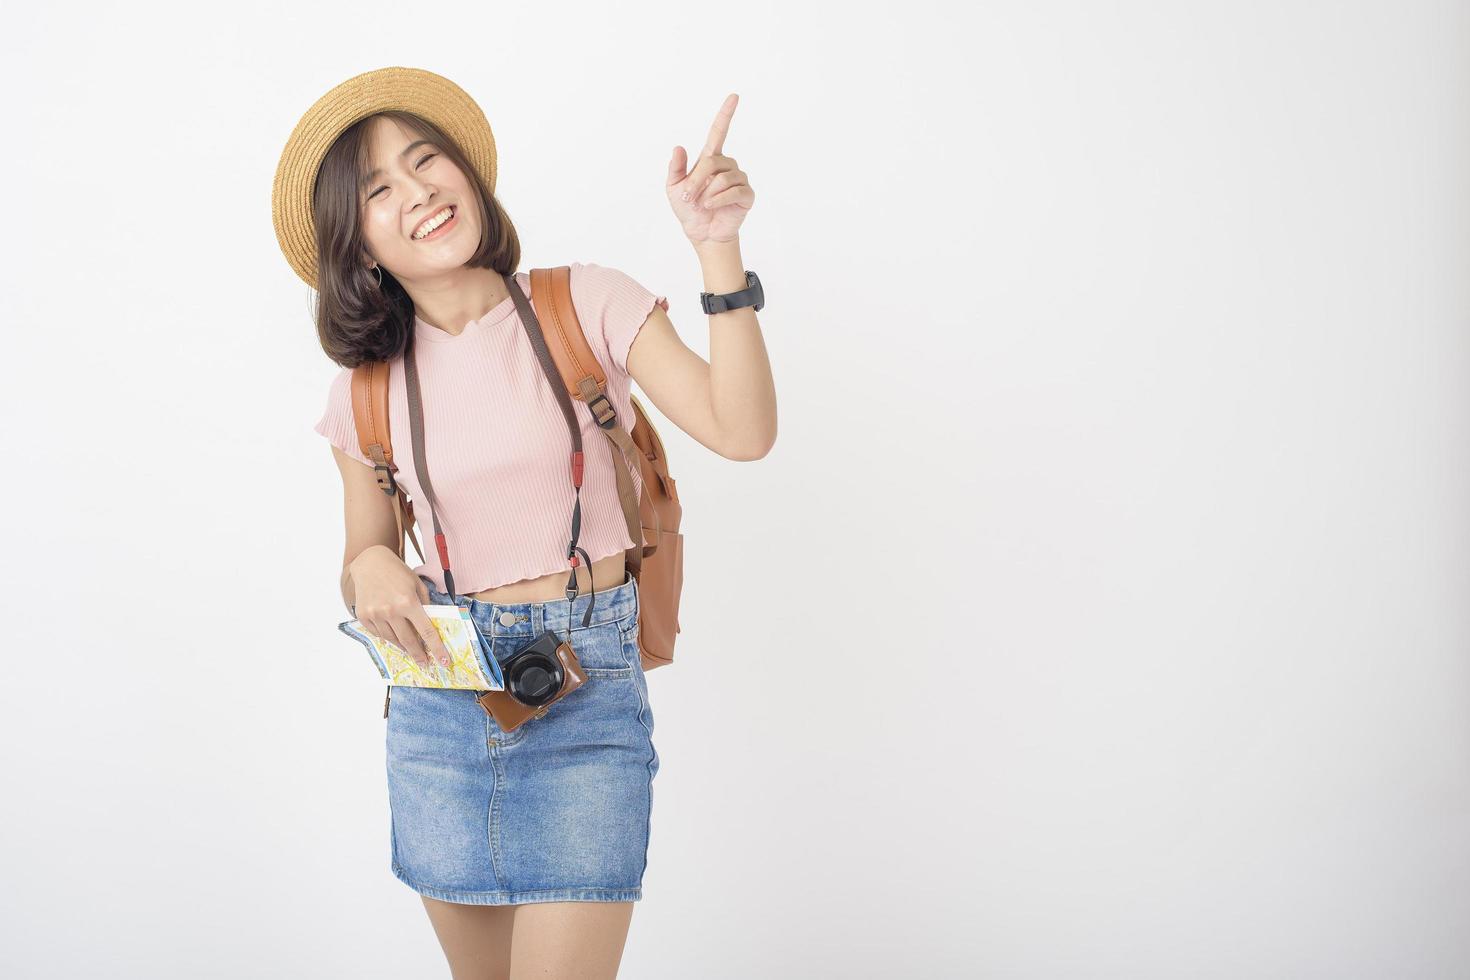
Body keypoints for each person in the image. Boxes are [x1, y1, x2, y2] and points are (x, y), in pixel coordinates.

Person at [271, 67, 775, 979]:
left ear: (467, 173)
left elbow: (741, 431)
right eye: (380, 189)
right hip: (442, 706)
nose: (418, 191)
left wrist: (719, 253)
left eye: (426, 161)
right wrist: (372, 568)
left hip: (587, 694)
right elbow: (364, 554)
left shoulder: (583, 301)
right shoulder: (365, 390)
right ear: (360, 244)